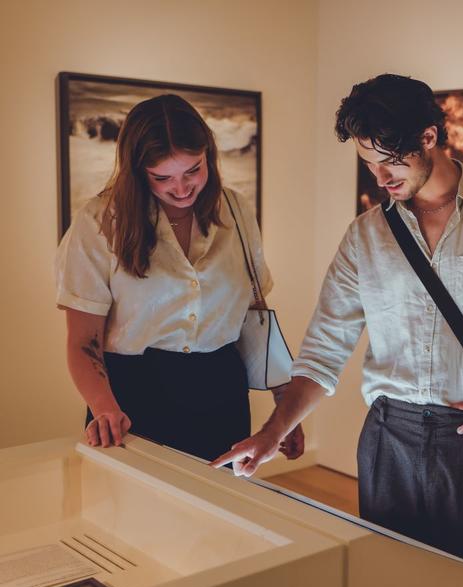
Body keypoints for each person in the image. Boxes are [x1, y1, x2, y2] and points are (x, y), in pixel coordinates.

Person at [211, 74, 463, 578]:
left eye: (391, 161)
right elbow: (323, 353)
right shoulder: (365, 236)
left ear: (428, 137)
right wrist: (274, 431)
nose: (380, 179)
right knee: (387, 583)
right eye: (369, 164)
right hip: (388, 438)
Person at [56, 94, 302, 462]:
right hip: (131, 396)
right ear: (137, 171)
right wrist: (104, 408)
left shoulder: (236, 210)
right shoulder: (99, 222)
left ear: (209, 156)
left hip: (221, 390)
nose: (182, 188)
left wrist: (286, 407)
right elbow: (82, 341)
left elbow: (254, 315)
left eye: (193, 170)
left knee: (217, 510)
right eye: (163, 177)